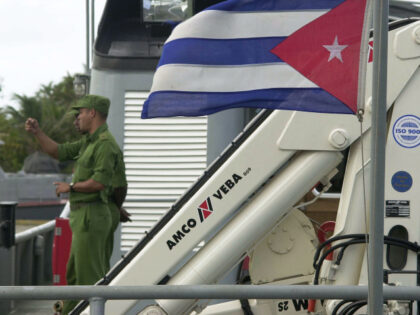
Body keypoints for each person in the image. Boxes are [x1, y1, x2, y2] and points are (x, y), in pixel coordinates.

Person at [25, 95, 120, 314]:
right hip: (83, 218)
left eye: (81, 114)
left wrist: (71, 187)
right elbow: (58, 151)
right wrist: (37, 132)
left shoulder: (104, 145)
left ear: (92, 113)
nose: (77, 118)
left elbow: (99, 182)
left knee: (90, 280)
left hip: (92, 216)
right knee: (75, 277)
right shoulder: (89, 142)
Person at [73, 112, 131, 270]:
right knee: (83, 269)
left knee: (91, 270)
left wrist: (117, 207)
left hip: (96, 212)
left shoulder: (105, 146)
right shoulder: (89, 145)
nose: (75, 123)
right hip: (96, 211)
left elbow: (120, 185)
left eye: (78, 118)